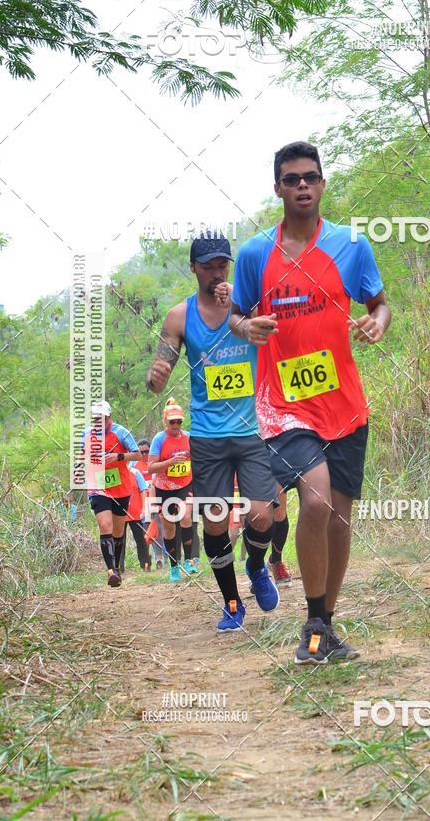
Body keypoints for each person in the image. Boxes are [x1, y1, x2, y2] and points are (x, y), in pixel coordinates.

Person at [230, 141, 391, 663]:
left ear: (322, 185)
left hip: (343, 403)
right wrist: (245, 326)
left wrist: (376, 325)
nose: (302, 185)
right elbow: (234, 314)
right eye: (292, 178)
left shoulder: (351, 245)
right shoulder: (257, 253)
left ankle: (321, 626)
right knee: (316, 500)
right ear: (277, 188)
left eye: (311, 177)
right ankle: (315, 629)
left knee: (339, 518)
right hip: (282, 404)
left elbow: (381, 304)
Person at [146, 232, 279, 632]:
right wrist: (157, 375)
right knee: (216, 521)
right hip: (207, 435)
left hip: (253, 426)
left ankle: (256, 566)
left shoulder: (250, 299)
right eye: (209, 267)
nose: (217, 273)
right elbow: (159, 370)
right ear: (193, 269)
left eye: (223, 265)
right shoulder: (179, 317)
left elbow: (270, 328)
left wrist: (238, 311)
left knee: (261, 513)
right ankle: (232, 602)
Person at [83, 400, 141, 588]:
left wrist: (118, 456)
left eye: (103, 418)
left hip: (120, 486)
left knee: (118, 531)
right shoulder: (86, 435)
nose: (99, 422)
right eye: (96, 419)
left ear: (109, 418)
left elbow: (138, 455)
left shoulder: (121, 433)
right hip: (98, 486)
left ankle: (116, 565)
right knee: (104, 524)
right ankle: (111, 571)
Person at [148, 399, 196, 582]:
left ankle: (189, 561)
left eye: (179, 422)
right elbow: (151, 467)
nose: (175, 425)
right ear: (165, 422)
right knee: (168, 527)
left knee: (185, 517)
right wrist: (169, 462)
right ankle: (174, 566)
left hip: (185, 484)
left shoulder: (189, 437)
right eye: (172, 422)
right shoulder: (159, 439)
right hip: (163, 488)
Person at [132, 437, 165, 569]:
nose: (145, 455)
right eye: (142, 452)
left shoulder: (155, 462)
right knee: (145, 531)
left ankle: (160, 558)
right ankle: (147, 560)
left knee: (159, 529)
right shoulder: (134, 466)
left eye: (147, 451)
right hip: (141, 502)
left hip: (157, 500)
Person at [124, 464, 153, 572]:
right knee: (119, 540)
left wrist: (144, 508)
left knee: (141, 539)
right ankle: (119, 567)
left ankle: (146, 565)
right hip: (120, 513)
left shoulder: (135, 472)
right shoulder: (113, 471)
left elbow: (143, 490)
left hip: (135, 512)